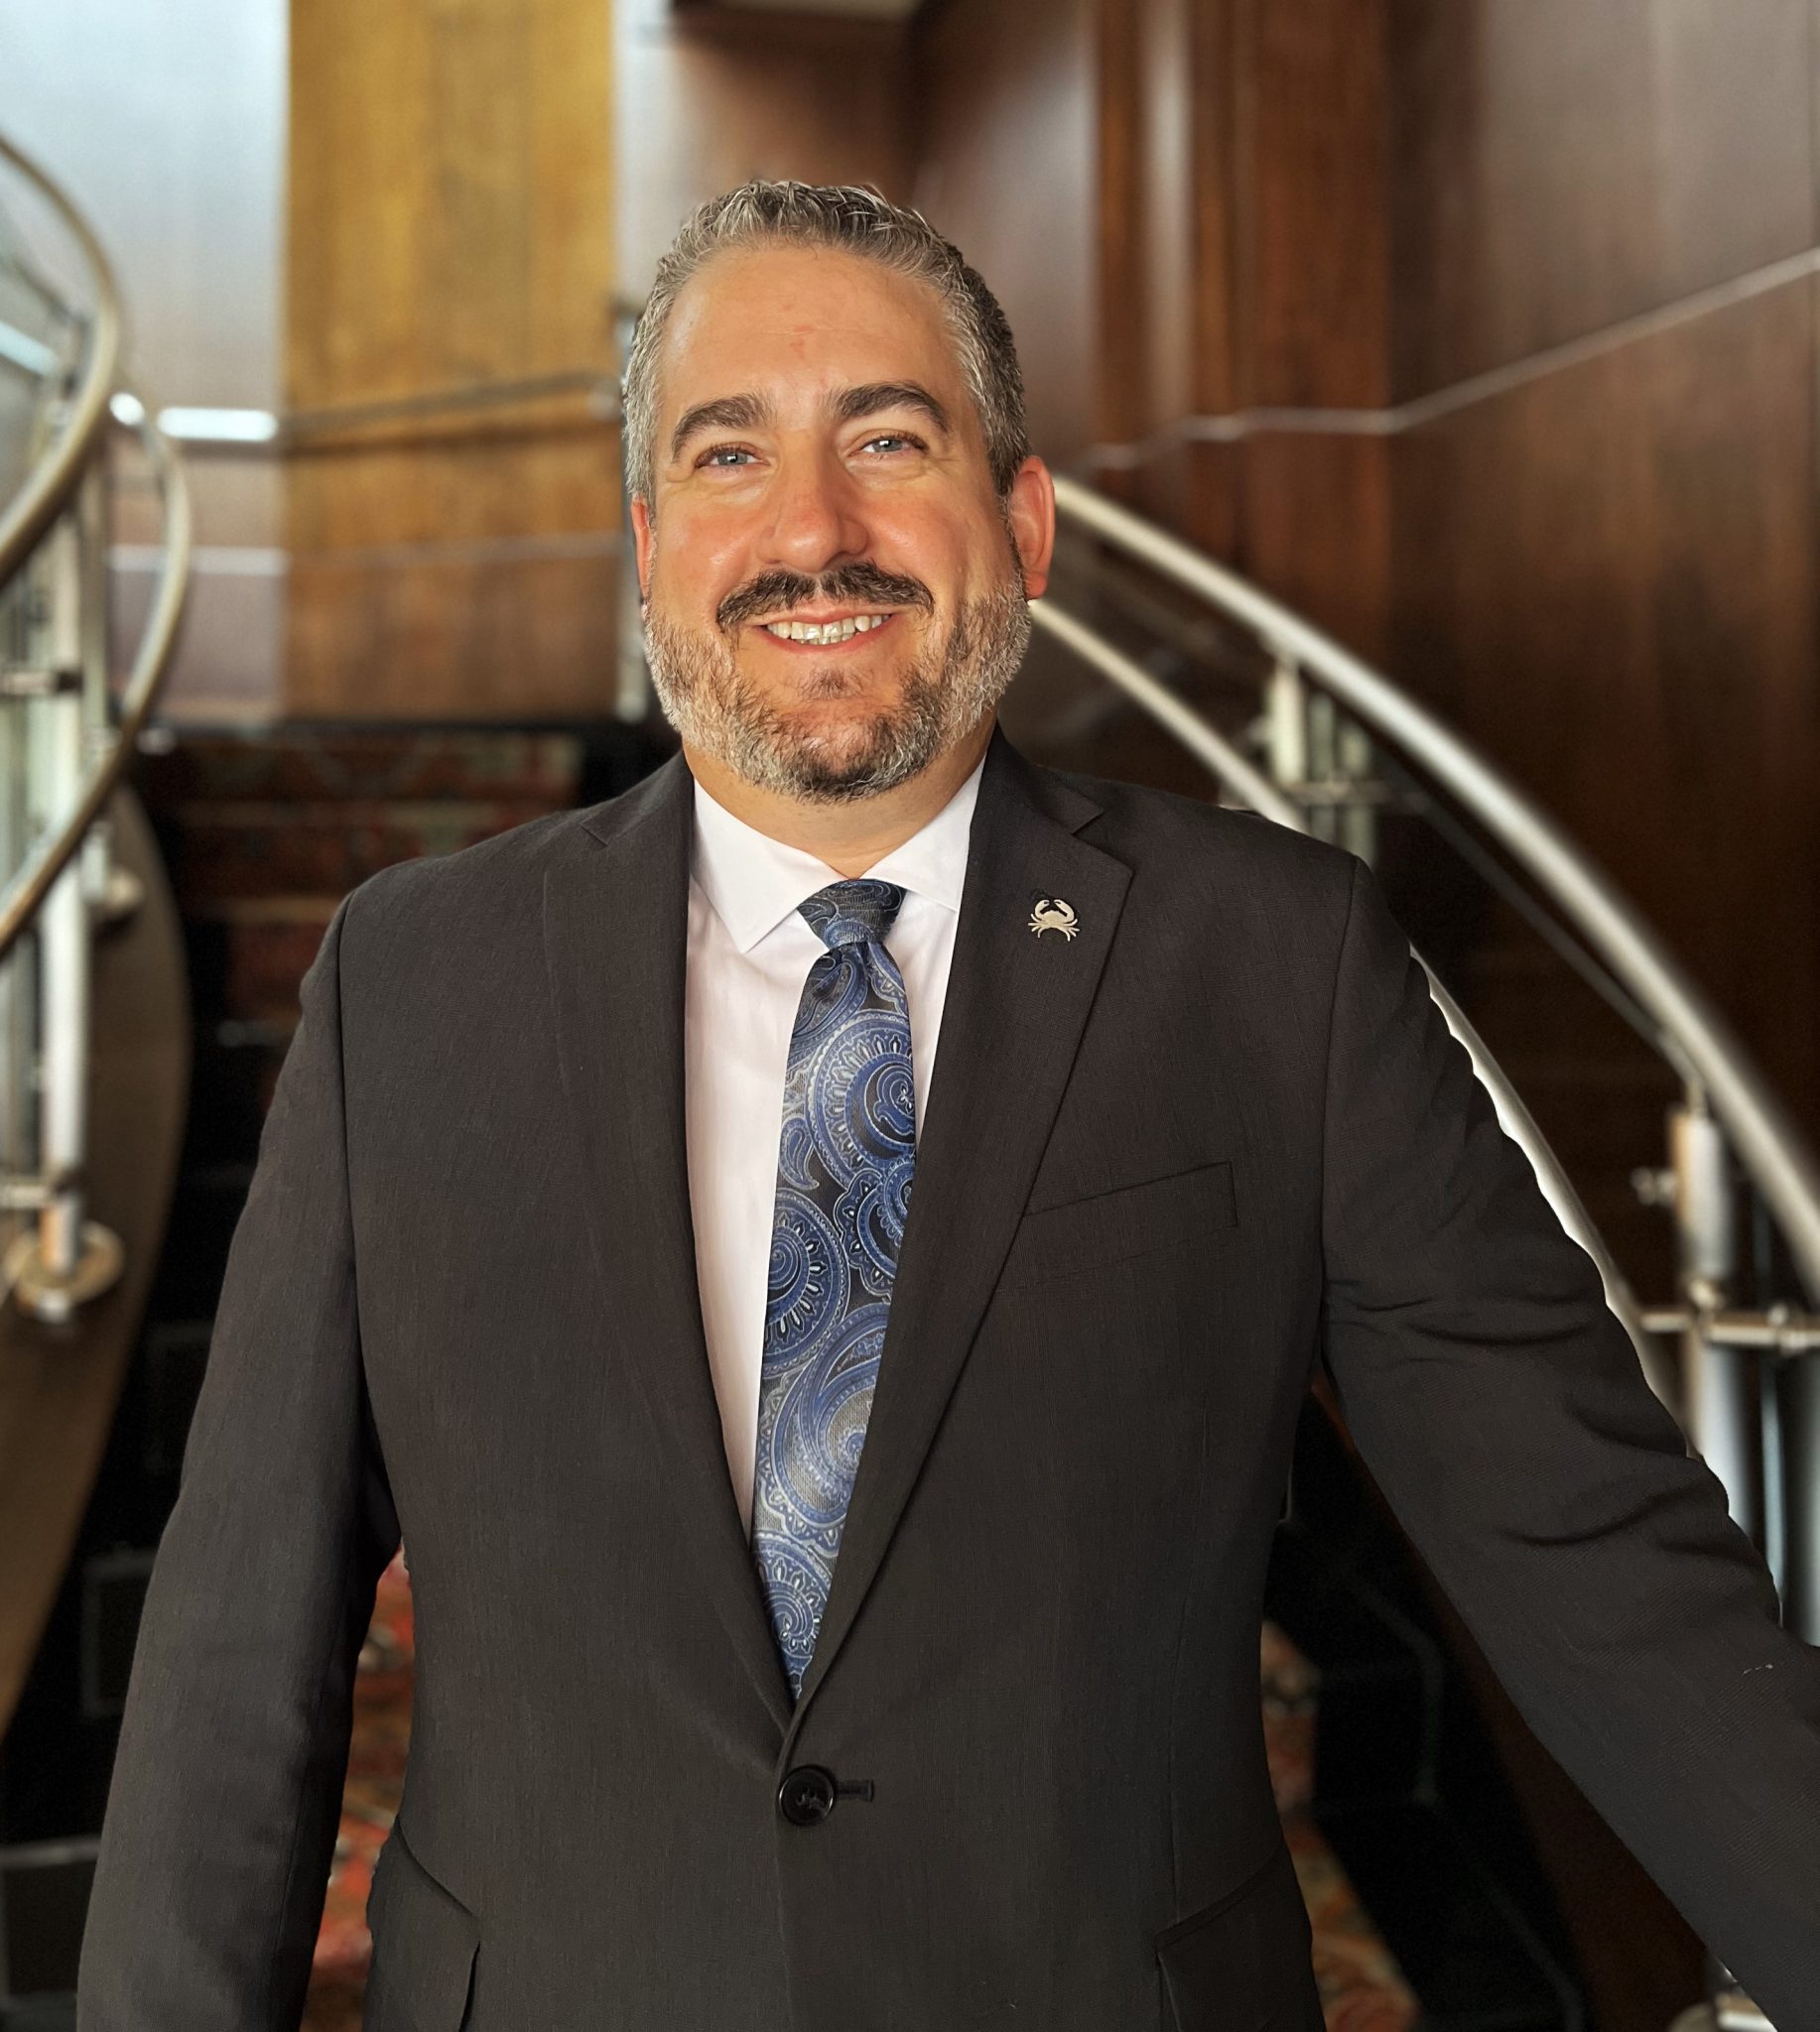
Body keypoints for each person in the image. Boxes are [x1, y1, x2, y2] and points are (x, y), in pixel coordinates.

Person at [78, 181, 1818, 2032]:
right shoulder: (406, 987)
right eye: (729, 456)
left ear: (1024, 521)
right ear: (650, 546)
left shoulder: (1270, 962)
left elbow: (1590, 1547)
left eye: (886, 441)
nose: (809, 532)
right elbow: (235, 1652)